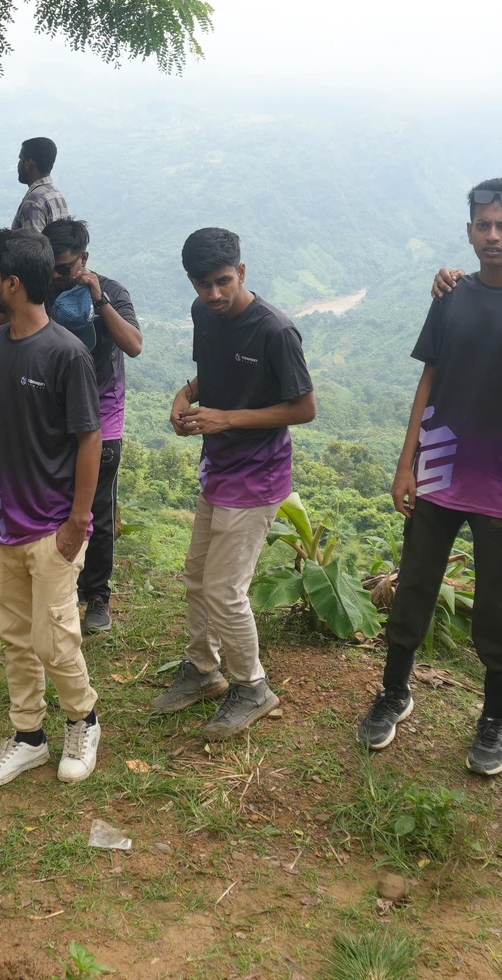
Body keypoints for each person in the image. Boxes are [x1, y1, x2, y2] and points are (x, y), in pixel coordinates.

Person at [361, 177, 502, 777]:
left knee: (498, 608)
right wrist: (406, 462)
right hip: (438, 472)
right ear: (469, 231)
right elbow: (429, 377)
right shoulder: (451, 296)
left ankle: (495, 717)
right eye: (483, 225)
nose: (492, 235)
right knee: (414, 588)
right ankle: (394, 692)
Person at [154, 227, 316, 741]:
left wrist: (226, 419)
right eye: (203, 284)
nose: (214, 294)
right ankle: (203, 670)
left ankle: (252, 688)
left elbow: (304, 408)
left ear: (242, 272)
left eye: (223, 281)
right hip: (219, 466)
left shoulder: (275, 331)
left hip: (259, 473)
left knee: (225, 590)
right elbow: (211, 371)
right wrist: (186, 395)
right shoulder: (204, 313)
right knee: (197, 575)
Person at [0, 228, 103, 789]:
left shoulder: (66, 353)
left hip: (52, 524)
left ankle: (83, 719)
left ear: (13, 283)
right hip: (2, 521)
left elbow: (90, 438)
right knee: (14, 636)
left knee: (55, 638)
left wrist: (78, 520)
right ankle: (28, 736)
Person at [39, 219, 141, 634]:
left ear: (84, 259)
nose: (56, 275)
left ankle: (97, 595)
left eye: (63, 268)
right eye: (50, 266)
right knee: (52, 499)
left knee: (97, 506)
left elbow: (133, 345)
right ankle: (59, 583)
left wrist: (99, 300)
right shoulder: (44, 285)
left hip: (102, 415)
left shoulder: (112, 291)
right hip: (54, 411)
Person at [12, 136, 70, 234]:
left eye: (20, 159)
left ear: (28, 162)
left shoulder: (33, 202)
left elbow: (32, 243)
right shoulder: (57, 195)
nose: (18, 164)